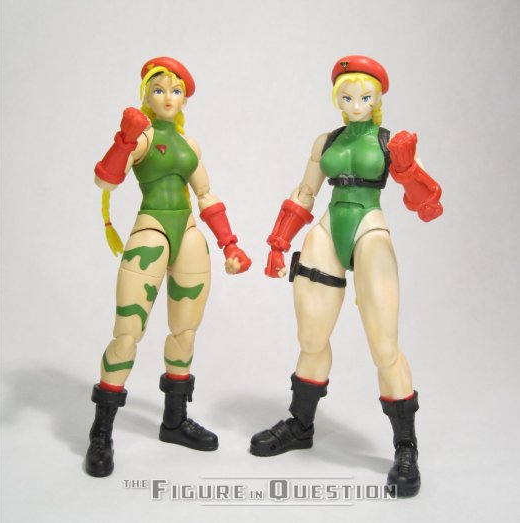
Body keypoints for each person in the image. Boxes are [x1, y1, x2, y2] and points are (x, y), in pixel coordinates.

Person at [249, 55, 442, 497]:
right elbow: (306, 191)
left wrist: (408, 169)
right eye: (347, 96)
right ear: (337, 98)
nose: (356, 104)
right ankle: (300, 424)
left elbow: (427, 205)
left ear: (377, 99)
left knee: (384, 345)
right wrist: (279, 241)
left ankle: (406, 446)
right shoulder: (327, 141)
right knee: (311, 337)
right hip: (327, 228)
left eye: (364, 97)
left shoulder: (391, 143)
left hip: (369, 228)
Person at [86, 56, 251, 477]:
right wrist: (124, 139)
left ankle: (174, 421)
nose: (167, 97)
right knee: (128, 332)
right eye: (159, 90)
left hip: (189, 232)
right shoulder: (141, 138)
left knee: (185, 331)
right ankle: (101, 431)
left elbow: (207, 195)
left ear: (183, 99)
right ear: (146, 95)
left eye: (175, 91)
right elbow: (106, 180)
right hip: (152, 230)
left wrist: (230, 243)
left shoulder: (189, 144)